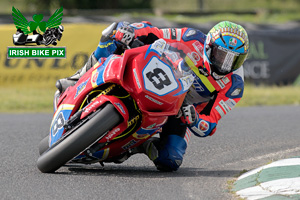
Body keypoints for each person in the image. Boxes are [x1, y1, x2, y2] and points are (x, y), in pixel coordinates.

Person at [55, 20, 249, 171]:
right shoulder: (191, 37)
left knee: (170, 159)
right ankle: (77, 78)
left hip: (179, 110)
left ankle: (139, 145)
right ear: (209, 46)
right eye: (221, 55)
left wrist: (195, 119)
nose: (225, 64)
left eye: (234, 60)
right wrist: (131, 30)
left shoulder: (234, 86)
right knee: (112, 34)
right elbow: (154, 32)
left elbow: (211, 123)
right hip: (158, 72)